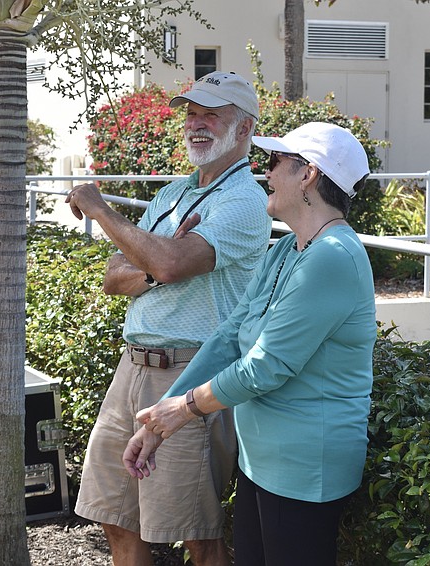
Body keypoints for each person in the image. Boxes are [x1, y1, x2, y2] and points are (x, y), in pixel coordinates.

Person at [122, 122, 377, 566]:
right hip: (260, 461)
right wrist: (160, 417)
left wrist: (183, 408)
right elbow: (229, 337)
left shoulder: (333, 257)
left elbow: (265, 366)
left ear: (308, 175)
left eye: (277, 162)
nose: (266, 172)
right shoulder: (286, 250)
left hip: (305, 467)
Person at [67, 71, 272, 566]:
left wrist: (101, 210)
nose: (196, 124)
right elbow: (115, 277)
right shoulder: (172, 194)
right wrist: (161, 263)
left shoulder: (245, 201)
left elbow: (168, 262)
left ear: (244, 130)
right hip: (131, 369)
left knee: (195, 534)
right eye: (191, 113)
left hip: (189, 376)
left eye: (212, 114)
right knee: (115, 514)